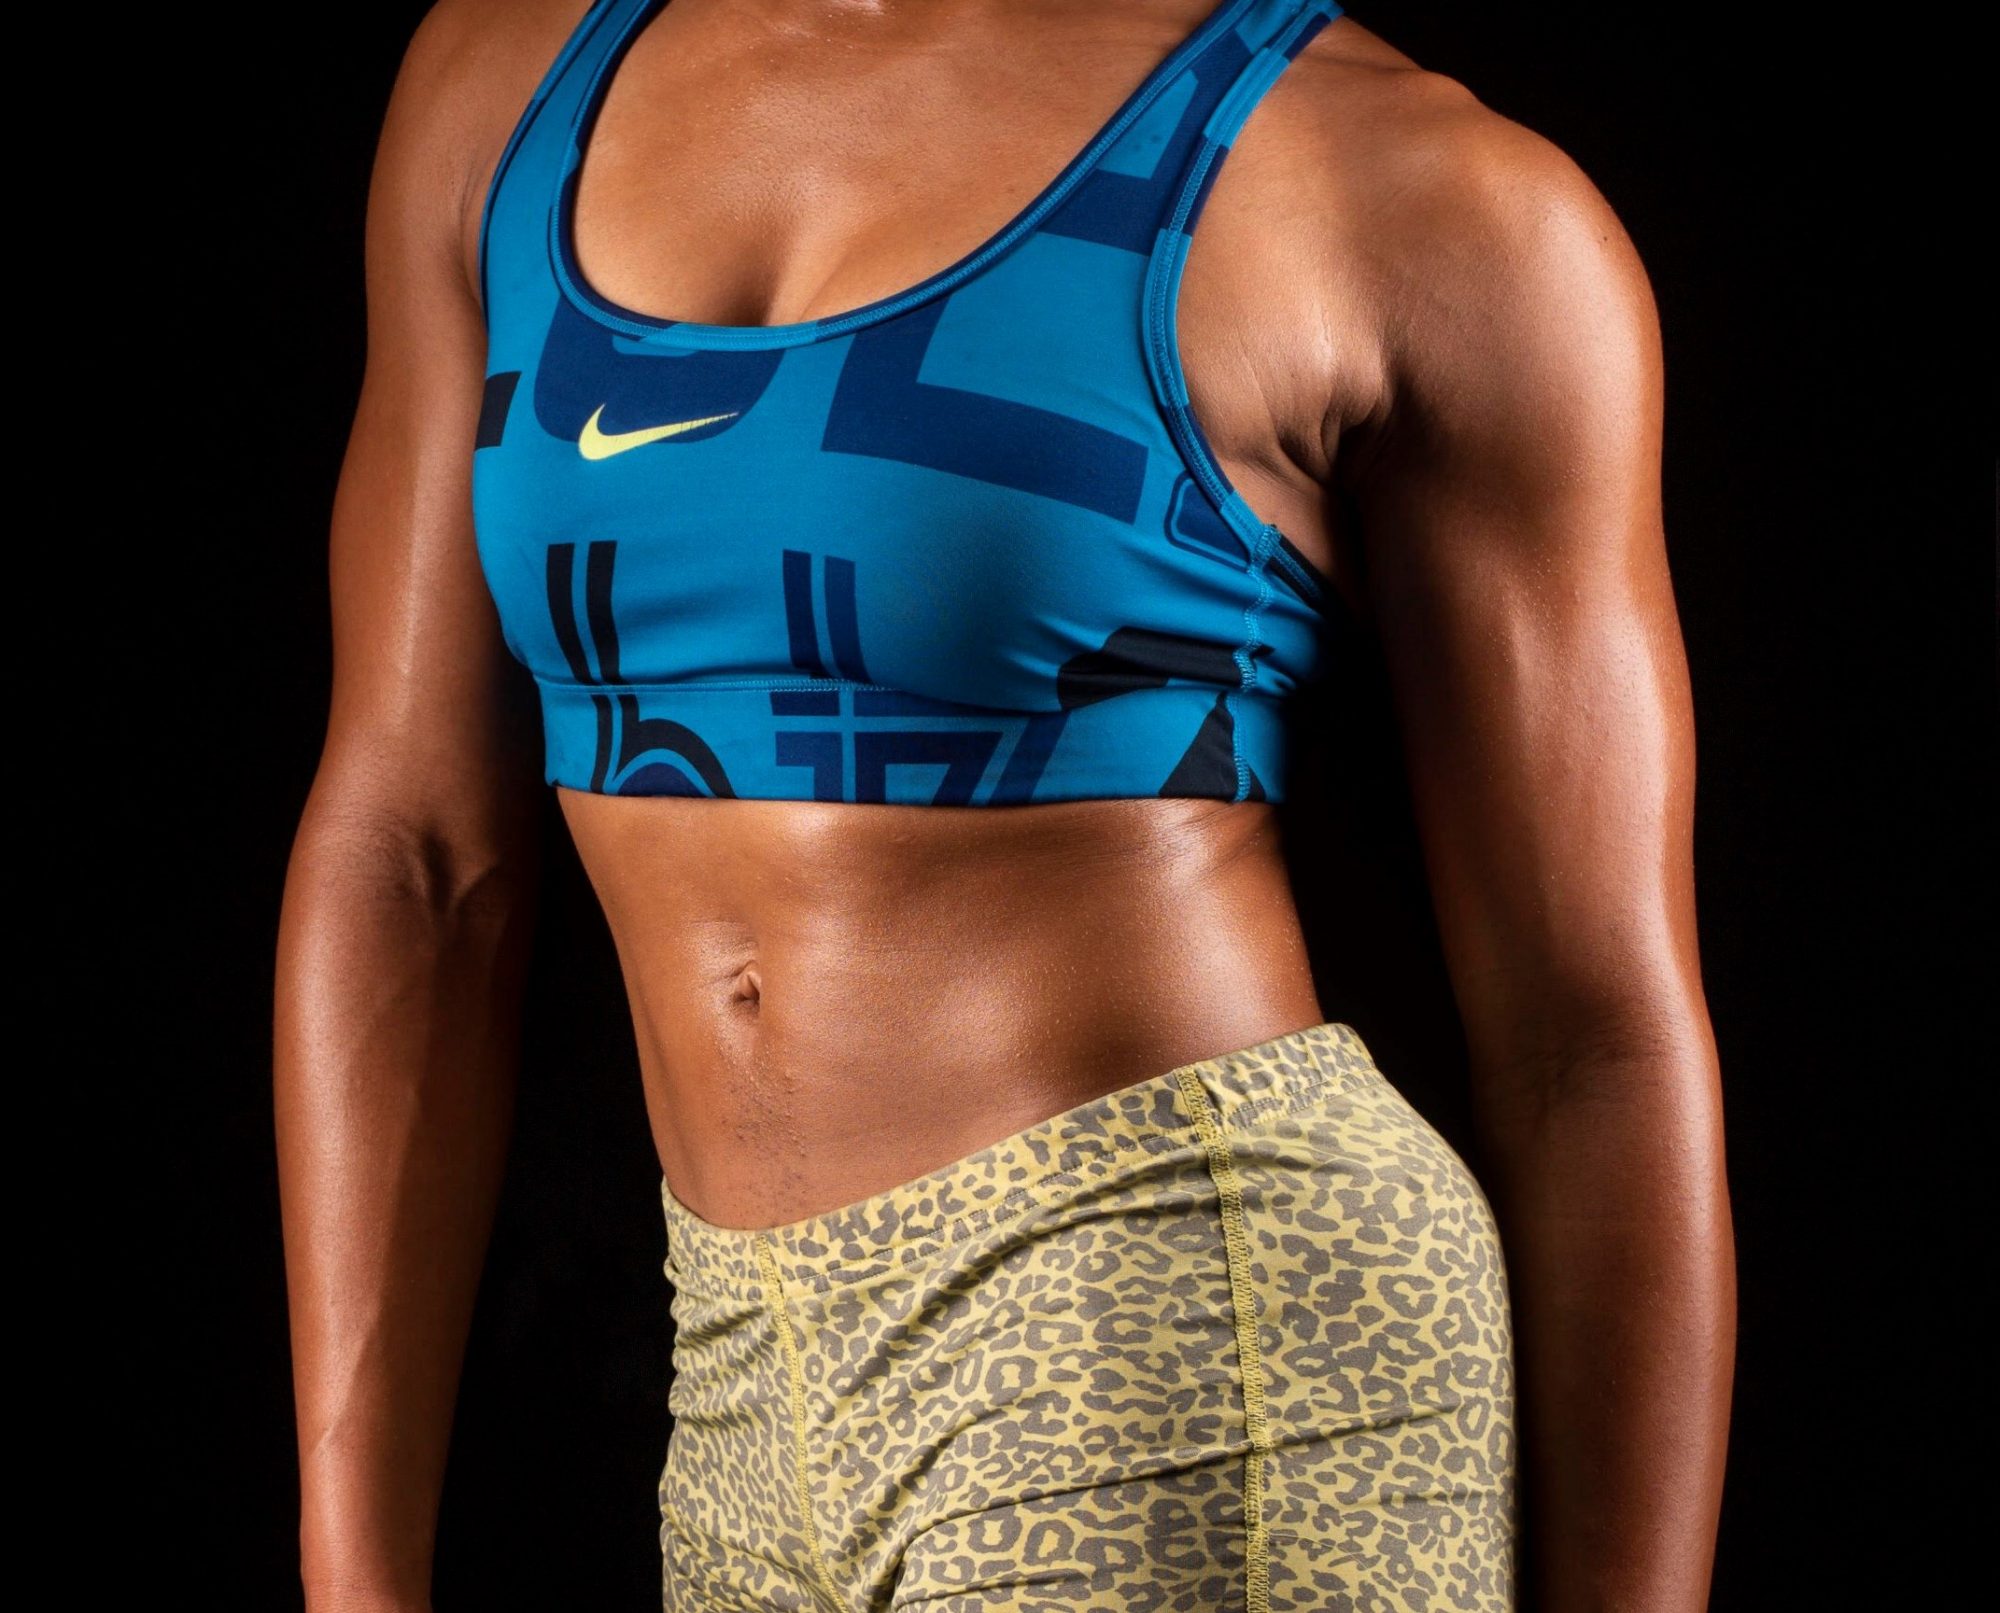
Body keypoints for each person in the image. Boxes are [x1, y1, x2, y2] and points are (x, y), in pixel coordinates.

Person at [272, 0, 1736, 1609]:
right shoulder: (509, 81)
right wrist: (353, 1558)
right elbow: (414, 856)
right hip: (746, 1371)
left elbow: (1591, 1036)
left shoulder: (1399, 184)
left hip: (1177, 1347)